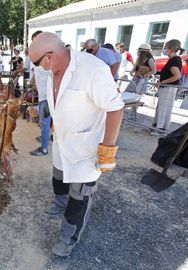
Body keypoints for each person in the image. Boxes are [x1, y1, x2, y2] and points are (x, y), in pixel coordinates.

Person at [29, 32, 124, 257]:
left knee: (80, 196)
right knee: (58, 178)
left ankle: (68, 237)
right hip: (62, 142)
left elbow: (115, 108)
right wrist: (48, 111)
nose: (39, 69)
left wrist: (108, 149)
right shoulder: (55, 69)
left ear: (49, 57)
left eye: (38, 63)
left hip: (86, 148)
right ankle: (59, 201)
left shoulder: (93, 70)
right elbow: (61, 99)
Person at [152, 39, 184, 133]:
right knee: (162, 107)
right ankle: (158, 126)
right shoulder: (174, 60)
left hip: (169, 88)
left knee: (163, 108)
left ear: (170, 49)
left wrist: (162, 82)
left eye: (165, 48)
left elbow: (177, 75)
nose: (164, 50)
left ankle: (159, 128)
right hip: (168, 87)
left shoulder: (174, 61)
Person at [28, 30, 50, 156]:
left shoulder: (49, 55)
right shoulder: (38, 54)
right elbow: (37, 72)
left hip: (48, 96)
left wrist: (50, 96)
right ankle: (45, 137)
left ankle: (44, 149)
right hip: (42, 94)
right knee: (45, 122)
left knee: (44, 121)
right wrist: (31, 83)